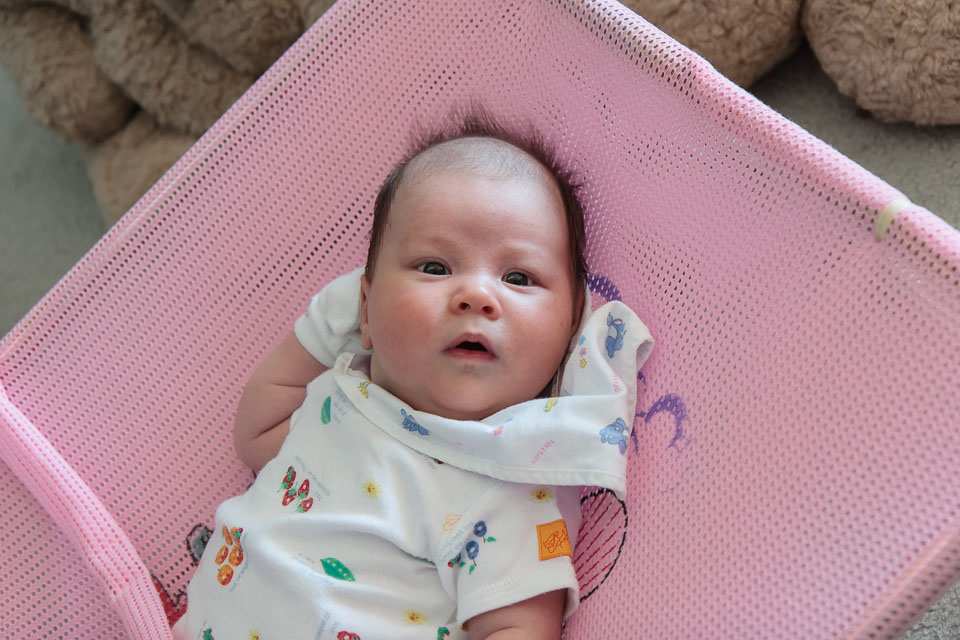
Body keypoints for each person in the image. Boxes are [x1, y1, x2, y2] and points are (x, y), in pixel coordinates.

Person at [173, 111, 653, 640]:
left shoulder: (514, 487)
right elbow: (254, 436)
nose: (476, 295)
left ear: (569, 330)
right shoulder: (338, 396)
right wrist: (349, 313)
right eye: (434, 268)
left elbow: (518, 626)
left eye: (518, 277)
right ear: (365, 308)